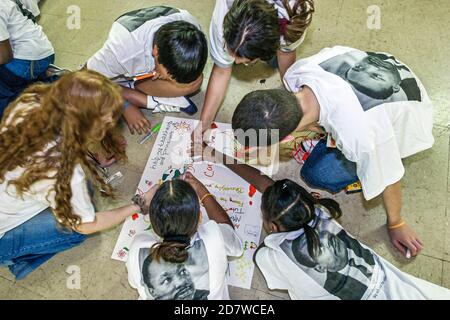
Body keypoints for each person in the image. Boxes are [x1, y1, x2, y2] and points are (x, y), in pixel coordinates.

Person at [231, 46, 434, 258]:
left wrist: (396, 222)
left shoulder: (359, 137)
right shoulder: (296, 73)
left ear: (286, 139)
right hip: (390, 66)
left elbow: (389, 177)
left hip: (409, 116)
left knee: (318, 175)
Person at [193, 146, 450, 300]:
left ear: (271, 227)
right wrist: (219, 156)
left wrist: (204, 193)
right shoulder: (319, 211)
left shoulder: (271, 255)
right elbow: (264, 182)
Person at [0, 70, 155, 280]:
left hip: (12, 190)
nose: (112, 124)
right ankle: (16, 258)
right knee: (74, 231)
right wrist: (139, 204)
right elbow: (84, 225)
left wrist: (89, 158)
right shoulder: (65, 170)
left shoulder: (32, 101)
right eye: (107, 123)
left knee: (84, 193)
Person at [195, 0, 314, 137]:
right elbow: (221, 71)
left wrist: (294, 101)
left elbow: (286, 53)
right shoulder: (223, 13)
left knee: (277, 63)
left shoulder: (296, 13)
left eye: (246, 61)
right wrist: (204, 123)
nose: (237, 62)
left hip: (282, 28)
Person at [87, 6, 208, 135]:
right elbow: (86, 78)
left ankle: (135, 93)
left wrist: (165, 76)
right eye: (169, 76)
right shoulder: (121, 51)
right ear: (155, 50)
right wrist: (124, 106)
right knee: (93, 106)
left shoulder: (192, 31)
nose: (170, 81)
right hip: (118, 70)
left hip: (141, 71)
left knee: (196, 82)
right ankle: (127, 93)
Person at [126, 175, 243, 300]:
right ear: (199, 218)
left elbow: (134, 283)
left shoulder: (138, 246)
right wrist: (201, 190)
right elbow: (236, 245)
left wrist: (141, 202)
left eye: (182, 272)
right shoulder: (214, 236)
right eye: (166, 280)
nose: (180, 283)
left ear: (153, 224)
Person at [0, 0, 54, 117]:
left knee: (4, 96)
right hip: (39, 53)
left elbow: (4, 56)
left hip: (30, 60)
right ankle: (42, 81)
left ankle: (54, 86)